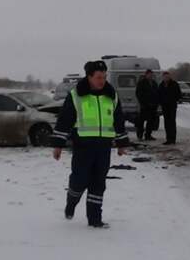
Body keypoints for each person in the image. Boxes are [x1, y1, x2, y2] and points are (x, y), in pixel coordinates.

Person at [50, 61, 130, 229]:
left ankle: (95, 219)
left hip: (103, 146)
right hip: (83, 146)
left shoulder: (111, 95)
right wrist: (58, 144)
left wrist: (121, 143)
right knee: (79, 180)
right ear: (89, 77)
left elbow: (119, 120)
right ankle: (71, 202)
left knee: (98, 182)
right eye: (99, 77)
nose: (102, 80)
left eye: (104, 77)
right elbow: (65, 120)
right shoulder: (76, 95)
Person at [135, 69, 159, 141]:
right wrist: (142, 103)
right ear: (146, 75)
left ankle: (148, 135)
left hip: (153, 106)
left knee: (151, 121)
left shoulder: (154, 83)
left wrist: (156, 103)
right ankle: (140, 135)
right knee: (141, 121)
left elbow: (157, 93)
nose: (150, 76)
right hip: (144, 106)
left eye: (151, 75)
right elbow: (138, 94)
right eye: (149, 74)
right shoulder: (141, 83)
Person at [158, 72, 182, 145]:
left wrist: (174, 100)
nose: (166, 78)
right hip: (165, 106)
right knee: (166, 123)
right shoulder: (161, 85)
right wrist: (160, 102)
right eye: (165, 77)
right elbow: (158, 94)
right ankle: (168, 139)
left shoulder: (174, 84)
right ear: (163, 77)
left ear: (170, 77)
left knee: (172, 122)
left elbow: (179, 94)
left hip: (172, 106)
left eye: (167, 77)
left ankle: (173, 139)